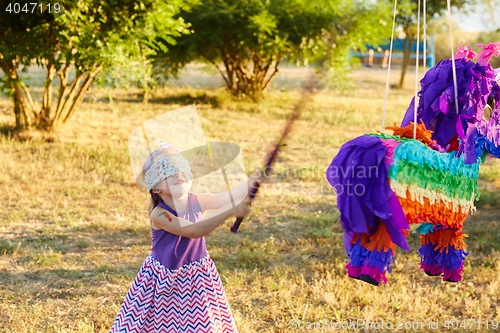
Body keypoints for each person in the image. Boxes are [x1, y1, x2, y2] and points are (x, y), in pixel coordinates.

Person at [109, 144, 264, 332]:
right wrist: (230, 211)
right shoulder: (159, 215)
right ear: (155, 187)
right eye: (168, 170)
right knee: (160, 324)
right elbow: (194, 230)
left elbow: (226, 197)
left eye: (182, 167)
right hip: (163, 281)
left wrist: (251, 183)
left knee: (202, 324)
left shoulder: (197, 200)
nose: (178, 173)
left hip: (197, 277)